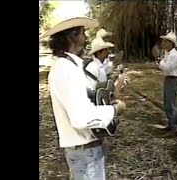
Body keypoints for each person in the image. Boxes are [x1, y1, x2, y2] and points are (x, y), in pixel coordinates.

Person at [39, 16, 126, 180]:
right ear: (71, 37)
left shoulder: (66, 66)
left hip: (84, 149)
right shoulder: (67, 69)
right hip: (85, 151)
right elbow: (80, 118)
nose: (86, 39)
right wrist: (114, 109)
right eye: (82, 33)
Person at [152, 32, 177, 133]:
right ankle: (171, 124)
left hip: (173, 79)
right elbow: (162, 67)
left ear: (171, 43)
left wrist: (158, 59)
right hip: (169, 79)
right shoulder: (168, 54)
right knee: (167, 103)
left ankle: (174, 127)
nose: (163, 43)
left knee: (171, 103)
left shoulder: (174, 55)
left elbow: (167, 68)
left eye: (165, 41)